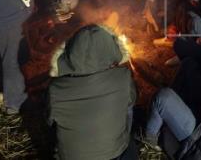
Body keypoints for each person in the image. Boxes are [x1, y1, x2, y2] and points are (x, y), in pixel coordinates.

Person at [48, 25, 136, 160]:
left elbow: (49, 120)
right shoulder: (123, 77)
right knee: (128, 107)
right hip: (114, 154)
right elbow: (132, 101)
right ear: (109, 48)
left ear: (72, 52)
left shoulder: (55, 89)